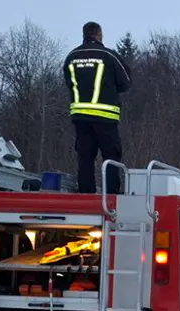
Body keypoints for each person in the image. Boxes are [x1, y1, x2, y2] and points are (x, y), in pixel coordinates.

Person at [63, 22, 132, 194]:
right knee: (111, 155)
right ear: (99, 35)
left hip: (80, 115)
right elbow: (126, 81)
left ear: (84, 35)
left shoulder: (71, 57)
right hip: (105, 114)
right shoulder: (109, 56)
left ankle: (86, 192)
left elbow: (69, 83)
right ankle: (111, 193)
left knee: (85, 155)